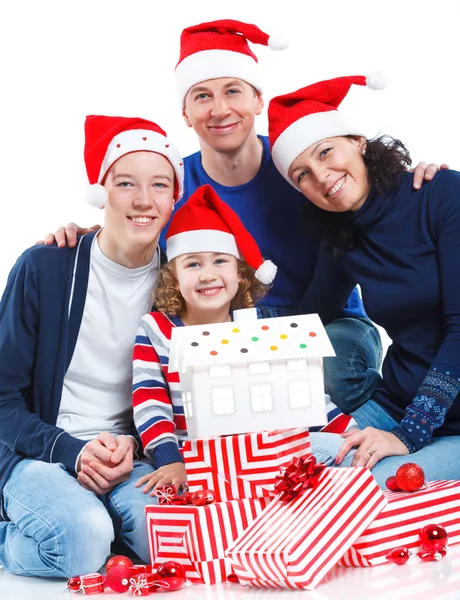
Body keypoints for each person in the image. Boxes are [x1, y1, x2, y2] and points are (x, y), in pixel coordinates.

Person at [39, 20, 445, 416]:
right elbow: (134, 226)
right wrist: (90, 235)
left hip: (327, 323)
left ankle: (378, 429)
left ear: (258, 101)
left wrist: (416, 180)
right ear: (185, 114)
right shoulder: (174, 185)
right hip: (223, 333)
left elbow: (365, 194)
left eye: (233, 91)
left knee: (328, 375)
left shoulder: (300, 167)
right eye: (202, 96)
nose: (220, 110)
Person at [0, 115, 184, 578]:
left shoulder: (181, 283)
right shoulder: (45, 268)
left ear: (175, 196)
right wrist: (72, 451)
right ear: (102, 192)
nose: (144, 200)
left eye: (159, 185)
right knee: (80, 541)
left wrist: (131, 448)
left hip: (131, 456)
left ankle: (108, 523)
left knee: (178, 544)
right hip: (37, 450)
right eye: (126, 183)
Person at [266, 72, 460, 487]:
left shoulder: (442, 193)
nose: (320, 177)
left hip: (448, 419)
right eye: (301, 174)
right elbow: (308, 322)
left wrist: (410, 433)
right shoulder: (341, 237)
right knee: (291, 475)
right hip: (394, 402)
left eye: (325, 152)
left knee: (365, 494)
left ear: (357, 140)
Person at [132, 183, 352, 495]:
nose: (207, 274)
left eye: (220, 261)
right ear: (175, 278)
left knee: (341, 453)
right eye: (193, 264)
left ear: (240, 274)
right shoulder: (156, 330)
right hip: (191, 460)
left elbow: (300, 393)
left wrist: (352, 430)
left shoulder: (253, 328)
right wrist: (170, 459)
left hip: (258, 457)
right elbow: (150, 402)